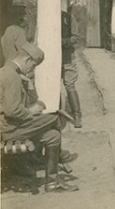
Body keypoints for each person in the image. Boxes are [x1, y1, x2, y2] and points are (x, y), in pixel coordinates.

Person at [0, 42, 79, 192]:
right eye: (33, 66)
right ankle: (52, 157)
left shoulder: (10, 72)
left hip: (12, 126)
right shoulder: (12, 77)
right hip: (7, 129)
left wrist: (30, 85)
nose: (32, 70)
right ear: (28, 60)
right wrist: (30, 112)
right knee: (54, 118)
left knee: (53, 135)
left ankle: (52, 183)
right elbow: (12, 111)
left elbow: (30, 102)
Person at [1, 4, 38, 105]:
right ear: (18, 16)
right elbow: (25, 53)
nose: (25, 17)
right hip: (18, 68)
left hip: (7, 67)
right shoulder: (17, 31)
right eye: (23, 15)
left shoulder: (7, 30)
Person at [61, 10, 82, 128]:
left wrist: (64, 41)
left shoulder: (68, 17)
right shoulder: (45, 14)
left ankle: (77, 115)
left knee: (70, 84)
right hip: (50, 57)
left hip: (67, 56)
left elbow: (76, 38)